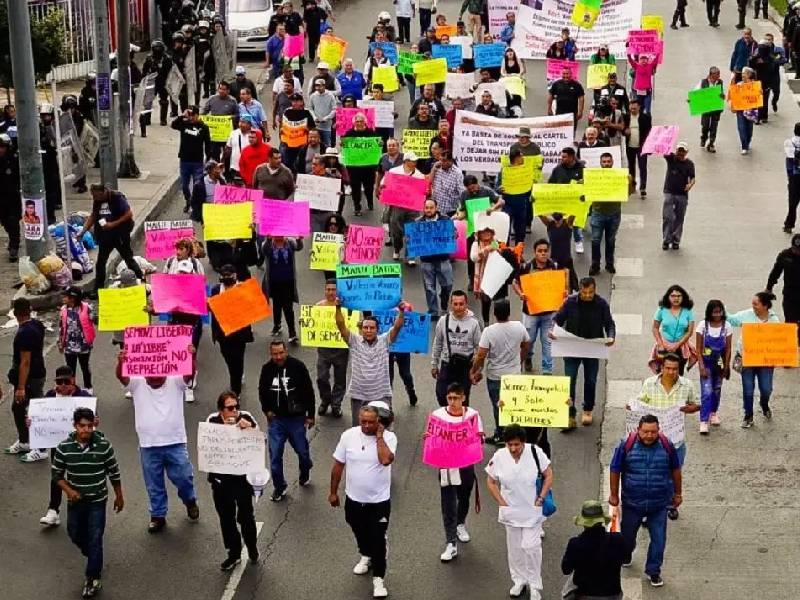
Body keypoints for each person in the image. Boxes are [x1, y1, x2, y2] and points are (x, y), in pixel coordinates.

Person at [115, 347, 199, 533]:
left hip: (175, 442)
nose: (153, 378)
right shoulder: (137, 382)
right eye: (149, 375)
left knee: (183, 476)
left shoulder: (175, 380)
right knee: (153, 483)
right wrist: (121, 362)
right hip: (148, 444)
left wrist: (190, 356)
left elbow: (188, 374)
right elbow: (122, 377)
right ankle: (158, 515)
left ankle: (189, 499)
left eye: (157, 375)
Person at [52, 407, 123, 599]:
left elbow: (114, 472)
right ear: (75, 426)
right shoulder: (64, 447)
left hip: (97, 500)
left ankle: (93, 578)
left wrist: (119, 496)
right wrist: (69, 491)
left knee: (95, 537)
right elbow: (56, 474)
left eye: (89, 426)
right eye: (82, 426)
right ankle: (93, 554)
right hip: (76, 502)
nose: (86, 430)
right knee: (74, 532)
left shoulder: (104, 446)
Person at [329, 403, 396, 599]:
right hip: (354, 499)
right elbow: (338, 465)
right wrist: (333, 492)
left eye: (371, 422)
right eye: (363, 421)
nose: (366, 426)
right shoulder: (348, 436)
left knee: (377, 538)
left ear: (378, 422)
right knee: (358, 529)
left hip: (379, 501)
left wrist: (379, 437)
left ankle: (378, 579)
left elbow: (385, 460)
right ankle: (366, 554)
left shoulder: (389, 438)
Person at [608, 414, 682, 589]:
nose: (649, 435)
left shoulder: (667, 445)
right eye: (645, 432)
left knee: (659, 540)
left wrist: (678, 494)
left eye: (653, 432)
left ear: (659, 430)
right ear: (638, 430)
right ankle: (626, 554)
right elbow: (615, 469)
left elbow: (676, 470)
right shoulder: (625, 445)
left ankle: (653, 571)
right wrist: (614, 494)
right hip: (632, 503)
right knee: (627, 538)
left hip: (659, 504)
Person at [485, 423, 553, 600]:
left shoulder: (535, 452)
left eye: (517, 444)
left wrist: (541, 497)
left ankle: (535, 585)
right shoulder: (499, 456)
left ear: (523, 442)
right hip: (511, 512)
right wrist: (501, 502)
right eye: (510, 445)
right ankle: (519, 581)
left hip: (532, 511)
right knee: (515, 549)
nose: (513, 449)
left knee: (531, 547)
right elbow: (490, 481)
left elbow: (548, 475)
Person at [635, 352, 699, 517]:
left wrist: (688, 409)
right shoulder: (649, 384)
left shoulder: (687, 385)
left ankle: (671, 504)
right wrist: (633, 407)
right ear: (661, 368)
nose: (671, 372)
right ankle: (648, 508)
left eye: (675, 369)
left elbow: (696, 404)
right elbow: (641, 403)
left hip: (675, 441)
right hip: (653, 441)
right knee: (650, 475)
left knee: (672, 474)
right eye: (668, 368)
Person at [550, 277, 616, 429]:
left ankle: (587, 409)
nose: (587, 295)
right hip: (572, 347)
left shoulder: (601, 304)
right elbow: (557, 319)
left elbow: (609, 323)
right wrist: (553, 330)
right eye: (584, 292)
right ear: (579, 290)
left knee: (591, 380)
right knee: (569, 381)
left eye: (590, 292)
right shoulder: (570, 302)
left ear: (595, 290)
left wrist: (611, 336)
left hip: (592, 348)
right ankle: (569, 413)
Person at [205, 392, 259, 570]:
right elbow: (207, 447)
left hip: (242, 480)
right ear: (221, 410)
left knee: (246, 517)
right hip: (221, 481)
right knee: (226, 519)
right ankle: (233, 553)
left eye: (236, 407)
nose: (234, 411)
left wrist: (249, 429)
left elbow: (260, 442)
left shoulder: (246, 417)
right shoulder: (212, 421)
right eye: (230, 408)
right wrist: (226, 431)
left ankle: (251, 546)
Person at [431, 383, 483, 562]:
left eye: (456, 398)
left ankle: (460, 523)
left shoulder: (472, 415)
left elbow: (479, 437)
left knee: (464, 496)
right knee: (448, 502)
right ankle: (450, 542)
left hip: (466, 464)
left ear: (463, 398)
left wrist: (478, 439)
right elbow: (432, 437)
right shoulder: (438, 415)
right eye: (449, 398)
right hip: (446, 466)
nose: (452, 402)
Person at [258, 340, 315, 502]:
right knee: (275, 456)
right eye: (275, 354)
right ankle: (279, 487)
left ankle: (305, 470)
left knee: (302, 452)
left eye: (281, 353)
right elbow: (262, 391)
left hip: (296, 419)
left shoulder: (298, 367)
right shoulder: (266, 369)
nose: (278, 357)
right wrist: (267, 410)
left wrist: (310, 415)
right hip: (276, 420)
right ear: (271, 354)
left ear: (286, 352)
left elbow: (308, 391)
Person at [335, 302, 406, 426]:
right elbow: (340, 325)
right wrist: (338, 308)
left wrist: (401, 312)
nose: (368, 330)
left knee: (383, 429)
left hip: (381, 395)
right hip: (359, 394)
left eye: (372, 328)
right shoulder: (354, 341)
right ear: (361, 329)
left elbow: (397, 327)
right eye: (365, 328)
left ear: (377, 330)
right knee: (360, 429)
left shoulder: (385, 340)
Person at [470, 299, 530, 445]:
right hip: (514, 374)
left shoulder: (489, 331)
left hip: (495, 376)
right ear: (509, 313)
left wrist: (474, 370)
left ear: (494, 314)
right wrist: (520, 361)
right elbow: (526, 345)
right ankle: (515, 435)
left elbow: (481, 355)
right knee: (513, 406)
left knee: (498, 406)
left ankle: (501, 434)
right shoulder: (519, 327)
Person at [726, 292, 781, 428]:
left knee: (766, 389)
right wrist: (722, 309)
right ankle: (748, 415)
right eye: (753, 303)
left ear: (765, 306)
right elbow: (731, 319)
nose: (753, 306)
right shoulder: (747, 315)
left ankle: (764, 403)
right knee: (748, 390)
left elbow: (779, 341)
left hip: (765, 361)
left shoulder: (774, 321)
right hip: (747, 359)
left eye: (756, 304)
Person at [78, 185, 145, 295]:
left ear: (103, 192)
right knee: (100, 263)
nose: (94, 198)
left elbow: (128, 214)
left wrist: (112, 224)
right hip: (105, 237)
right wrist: (82, 232)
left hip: (120, 235)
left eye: (96, 195)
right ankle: (98, 290)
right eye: (93, 196)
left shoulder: (117, 197)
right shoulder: (97, 201)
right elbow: (93, 216)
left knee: (128, 259)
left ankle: (141, 281)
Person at [561, 500, 631, 600]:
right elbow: (626, 558)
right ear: (602, 520)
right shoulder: (617, 539)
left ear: (584, 523)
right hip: (612, 594)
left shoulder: (575, 543)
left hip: (584, 595)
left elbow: (566, 570)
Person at [4, 298, 47, 458]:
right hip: (37, 374)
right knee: (20, 409)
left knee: (30, 410)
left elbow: (25, 362)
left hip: (29, 379)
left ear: (15, 313)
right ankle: (25, 441)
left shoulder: (25, 333)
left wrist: (21, 387)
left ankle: (39, 448)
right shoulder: (37, 325)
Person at [513, 238, 562, 376]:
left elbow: (561, 285)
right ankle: (528, 357)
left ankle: (547, 371)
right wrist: (521, 293)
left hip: (549, 313)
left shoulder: (554, 266)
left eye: (545, 251)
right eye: (540, 251)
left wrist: (563, 293)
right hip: (530, 313)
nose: (543, 253)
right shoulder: (526, 267)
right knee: (529, 341)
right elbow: (515, 283)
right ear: (535, 252)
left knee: (548, 342)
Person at [431, 290, 482, 407]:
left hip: (465, 368)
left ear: (466, 304)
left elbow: (479, 348)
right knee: (441, 393)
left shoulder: (474, 323)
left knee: (462, 400)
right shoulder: (443, 321)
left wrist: (477, 369)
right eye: (455, 304)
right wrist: (434, 364)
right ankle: (449, 414)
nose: (458, 307)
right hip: (447, 364)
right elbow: (437, 343)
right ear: (451, 304)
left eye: (461, 304)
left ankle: (461, 417)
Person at [210, 266, 254, 396]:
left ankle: (236, 390)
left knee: (237, 360)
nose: (226, 277)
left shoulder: (243, 289)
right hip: (222, 333)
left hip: (239, 333)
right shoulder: (216, 290)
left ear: (235, 275)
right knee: (228, 358)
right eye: (224, 275)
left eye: (229, 275)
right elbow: (212, 308)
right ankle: (236, 375)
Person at [695, 300, 733, 435]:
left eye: (719, 312)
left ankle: (713, 413)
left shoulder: (727, 326)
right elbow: (698, 348)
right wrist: (701, 366)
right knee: (706, 391)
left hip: (719, 364)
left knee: (716, 389)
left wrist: (726, 366)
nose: (717, 315)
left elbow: (728, 349)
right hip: (706, 363)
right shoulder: (702, 326)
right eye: (714, 312)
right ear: (709, 312)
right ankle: (703, 420)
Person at [315, 280, 350, 418]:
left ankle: (336, 404)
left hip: (341, 349)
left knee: (340, 379)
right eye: (328, 289)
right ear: (325, 291)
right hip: (324, 349)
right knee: (321, 377)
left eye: (333, 289)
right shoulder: (319, 307)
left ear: (338, 291)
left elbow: (353, 324)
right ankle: (325, 400)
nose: (330, 292)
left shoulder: (346, 308)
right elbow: (311, 325)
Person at [415, 199, 454, 317]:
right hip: (426, 261)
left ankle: (444, 301)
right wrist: (410, 240)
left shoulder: (445, 220)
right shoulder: (418, 222)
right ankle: (433, 311)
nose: (429, 210)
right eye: (426, 208)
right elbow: (412, 239)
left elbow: (454, 233)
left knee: (448, 285)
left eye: (431, 208)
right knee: (429, 288)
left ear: (436, 208)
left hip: (443, 259)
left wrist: (454, 234)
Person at [261, 235, 303, 343]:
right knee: (277, 305)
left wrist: (299, 239)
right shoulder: (268, 244)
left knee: (288, 307)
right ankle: (277, 325)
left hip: (288, 282)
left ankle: (292, 332)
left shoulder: (290, 242)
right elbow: (264, 250)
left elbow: (299, 247)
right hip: (274, 282)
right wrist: (268, 239)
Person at [588, 152, 623, 275]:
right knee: (595, 240)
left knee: (610, 240)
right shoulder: (594, 176)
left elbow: (628, 192)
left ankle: (609, 263)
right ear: (600, 163)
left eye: (608, 161)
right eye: (604, 162)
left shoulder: (619, 176)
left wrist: (630, 182)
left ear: (612, 162)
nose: (606, 164)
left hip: (614, 213)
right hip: (598, 213)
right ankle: (595, 264)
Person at [172, 106, 212, 212]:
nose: (191, 117)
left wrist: (208, 158)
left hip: (197, 161)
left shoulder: (204, 127)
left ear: (197, 115)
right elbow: (173, 125)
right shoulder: (184, 124)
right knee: (184, 185)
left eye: (193, 115)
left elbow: (208, 144)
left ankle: (195, 204)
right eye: (189, 115)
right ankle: (188, 200)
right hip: (184, 160)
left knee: (197, 185)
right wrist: (182, 116)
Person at [651, 284, 696, 375]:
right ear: (668, 297)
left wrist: (677, 345)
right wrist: (660, 344)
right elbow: (655, 328)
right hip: (664, 346)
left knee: (678, 373)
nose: (676, 298)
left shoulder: (688, 311)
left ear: (683, 297)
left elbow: (690, 331)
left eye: (679, 296)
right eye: (673, 296)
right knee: (664, 373)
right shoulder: (662, 310)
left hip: (681, 347)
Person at [58, 287, 95, 393]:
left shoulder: (87, 308)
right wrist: (60, 342)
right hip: (69, 345)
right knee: (70, 369)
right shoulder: (63, 310)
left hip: (83, 344)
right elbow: (61, 327)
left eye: (66, 296)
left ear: (73, 298)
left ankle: (88, 387)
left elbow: (94, 319)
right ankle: (72, 387)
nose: (63, 298)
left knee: (84, 366)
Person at [548, 147, 585, 254]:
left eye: (564, 157)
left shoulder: (582, 169)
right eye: (562, 156)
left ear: (572, 157)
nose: (562, 159)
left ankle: (578, 241)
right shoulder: (557, 169)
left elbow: (588, 184)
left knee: (576, 223)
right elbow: (550, 184)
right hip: (560, 202)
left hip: (575, 201)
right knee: (558, 223)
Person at [343, 113, 380, 216]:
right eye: (357, 121)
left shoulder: (371, 133)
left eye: (361, 121)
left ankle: (370, 201)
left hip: (368, 167)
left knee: (369, 187)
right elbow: (345, 150)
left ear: (365, 122)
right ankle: (357, 207)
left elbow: (377, 149)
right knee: (355, 188)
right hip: (354, 167)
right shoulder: (349, 134)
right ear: (354, 123)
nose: (359, 123)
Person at [661, 142, 696, 250]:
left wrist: (690, 185)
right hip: (669, 192)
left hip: (682, 194)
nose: (680, 153)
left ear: (686, 152)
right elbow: (664, 151)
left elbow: (693, 178)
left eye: (683, 151)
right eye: (679, 150)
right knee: (668, 216)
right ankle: (666, 239)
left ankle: (676, 239)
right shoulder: (671, 159)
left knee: (679, 217)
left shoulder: (689, 164)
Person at [767, 233, 800, 339]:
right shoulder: (785, 256)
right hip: (790, 296)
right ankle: (790, 345)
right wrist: (769, 288)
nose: (797, 252)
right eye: (795, 249)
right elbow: (775, 272)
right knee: (790, 323)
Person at [201, 81, 239, 161]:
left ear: (228, 91)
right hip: (215, 133)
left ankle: (227, 168)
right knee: (214, 155)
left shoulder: (233, 101)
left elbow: (238, 115)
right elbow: (204, 112)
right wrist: (201, 117)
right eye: (220, 89)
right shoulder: (212, 99)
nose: (221, 91)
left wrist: (232, 117)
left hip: (227, 134)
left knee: (228, 155)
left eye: (224, 89)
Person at [0, 133, 20, 262]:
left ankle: (14, 246)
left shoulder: (13, 159)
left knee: (12, 223)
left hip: (12, 198)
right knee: (6, 223)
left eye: (2, 147)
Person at [729, 66, 758, 154]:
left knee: (749, 129)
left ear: (749, 75)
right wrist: (733, 106)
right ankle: (744, 146)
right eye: (742, 74)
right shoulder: (739, 85)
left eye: (744, 74)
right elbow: (734, 97)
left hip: (750, 111)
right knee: (741, 128)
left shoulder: (754, 85)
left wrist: (759, 93)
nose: (742, 75)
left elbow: (758, 96)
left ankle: (747, 142)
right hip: (740, 110)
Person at [697, 67, 724, 153]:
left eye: (718, 75)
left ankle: (711, 144)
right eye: (716, 75)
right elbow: (696, 92)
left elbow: (721, 93)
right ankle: (704, 138)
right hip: (706, 108)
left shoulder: (720, 82)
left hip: (716, 109)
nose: (718, 77)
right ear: (710, 75)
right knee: (705, 126)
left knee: (714, 127)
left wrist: (722, 96)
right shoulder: (703, 82)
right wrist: (691, 100)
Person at [309, 79, 337, 147]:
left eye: (319, 86)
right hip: (316, 126)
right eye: (316, 86)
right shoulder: (313, 96)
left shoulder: (330, 96)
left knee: (327, 145)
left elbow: (334, 109)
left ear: (324, 86)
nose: (317, 88)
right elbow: (310, 108)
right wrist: (315, 118)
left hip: (327, 127)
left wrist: (326, 118)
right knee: (316, 145)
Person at [784, 124, 800, 234]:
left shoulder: (789, 142)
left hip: (794, 177)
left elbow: (790, 156)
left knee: (793, 202)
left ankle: (789, 224)